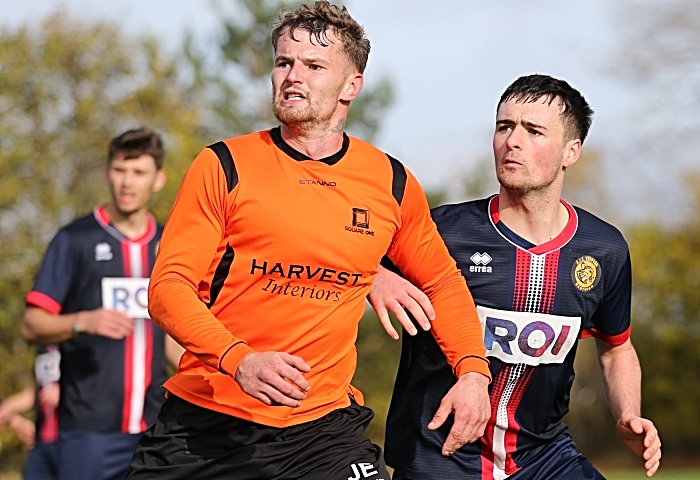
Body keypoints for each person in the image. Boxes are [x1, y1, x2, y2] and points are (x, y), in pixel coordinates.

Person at [127, 2, 491, 479]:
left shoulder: (391, 182)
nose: (292, 75)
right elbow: (167, 288)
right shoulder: (224, 165)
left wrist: (473, 372)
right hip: (207, 425)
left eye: (314, 66)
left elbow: (442, 282)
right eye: (284, 62)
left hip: (322, 433)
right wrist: (240, 360)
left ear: (351, 86)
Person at [369, 74, 662, 479]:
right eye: (504, 126)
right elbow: (334, 263)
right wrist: (374, 275)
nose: (513, 140)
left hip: (544, 461)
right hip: (439, 459)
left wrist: (629, 415)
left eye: (534, 130)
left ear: (570, 151)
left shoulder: (604, 249)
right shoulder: (441, 231)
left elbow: (616, 348)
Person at [21, 127, 184, 480]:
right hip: (88, 431)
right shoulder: (74, 239)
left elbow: (169, 337)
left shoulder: (168, 246)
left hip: (154, 427)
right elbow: (32, 325)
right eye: (120, 170)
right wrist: (82, 321)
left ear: (158, 179)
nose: (127, 182)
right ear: (107, 172)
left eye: (139, 172)